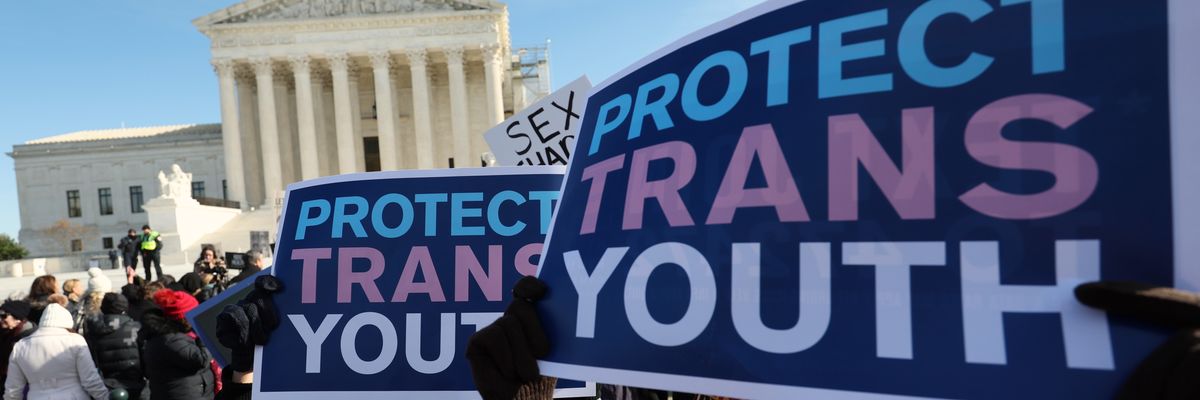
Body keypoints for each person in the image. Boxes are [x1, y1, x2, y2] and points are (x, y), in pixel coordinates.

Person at [3, 303, 109, 400]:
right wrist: (104, 397)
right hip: (74, 395)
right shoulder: (75, 340)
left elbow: (13, 389)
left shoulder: (21, 346)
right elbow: (90, 380)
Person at [141, 289, 216, 400]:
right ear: (184, 318)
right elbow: (200, 359)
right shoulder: (170, 339)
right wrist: (204, 335)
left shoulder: (175, 335)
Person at [85, 293, 145, 398]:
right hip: (134, 384)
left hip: (104, 386)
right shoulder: (136, 328)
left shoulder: (92, 330)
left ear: (103, 308)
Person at [0, 300, 34, 389]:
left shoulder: (29, 337)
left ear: (17, 319)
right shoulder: (6, 333)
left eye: (4, 316)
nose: (1, 319)